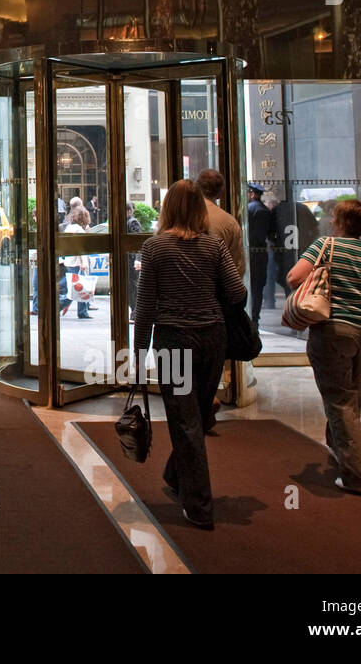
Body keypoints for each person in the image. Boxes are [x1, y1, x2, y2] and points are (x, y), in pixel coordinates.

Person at [133, 179, 246, 530]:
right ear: (200, 208)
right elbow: (238, 294)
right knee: (195, 413)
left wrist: (138, 354)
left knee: (185, 420)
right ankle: (176, 474)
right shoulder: (214, 246)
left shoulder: (154, 248)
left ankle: (199, 506)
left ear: (167, 208)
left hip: (174, 342)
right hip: (212, 338)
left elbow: (145, 306)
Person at [286, 199, 361, 496]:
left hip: (334, 331)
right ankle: (339, 450)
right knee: (352, 393)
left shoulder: (326, 246)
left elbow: (294, 277)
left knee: (339, 402)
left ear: (338, 221)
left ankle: (360, 477)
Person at [196, 170, 244, 278]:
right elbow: (237, 266)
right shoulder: (229, 222)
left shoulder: (181, 216)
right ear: (220, 193)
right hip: (215, 288)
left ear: (197, 188)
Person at [247, 184, 277, 325]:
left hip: (253, 254)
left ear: (253, 194)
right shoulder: (264, 210)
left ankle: (252, 319)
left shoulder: (252, 209)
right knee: (257, 288)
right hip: (260, 254)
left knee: (253, 287)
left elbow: (255, 236)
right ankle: (254, 318)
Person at [61, 204, 93, 318]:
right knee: (76, 288)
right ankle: (58, 305)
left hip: (70, 261)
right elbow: (79, 247)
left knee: (78, 286)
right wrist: (83, 262)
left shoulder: (70, 227)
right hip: (76, 263)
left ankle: (82, 311)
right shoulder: (78, 229)